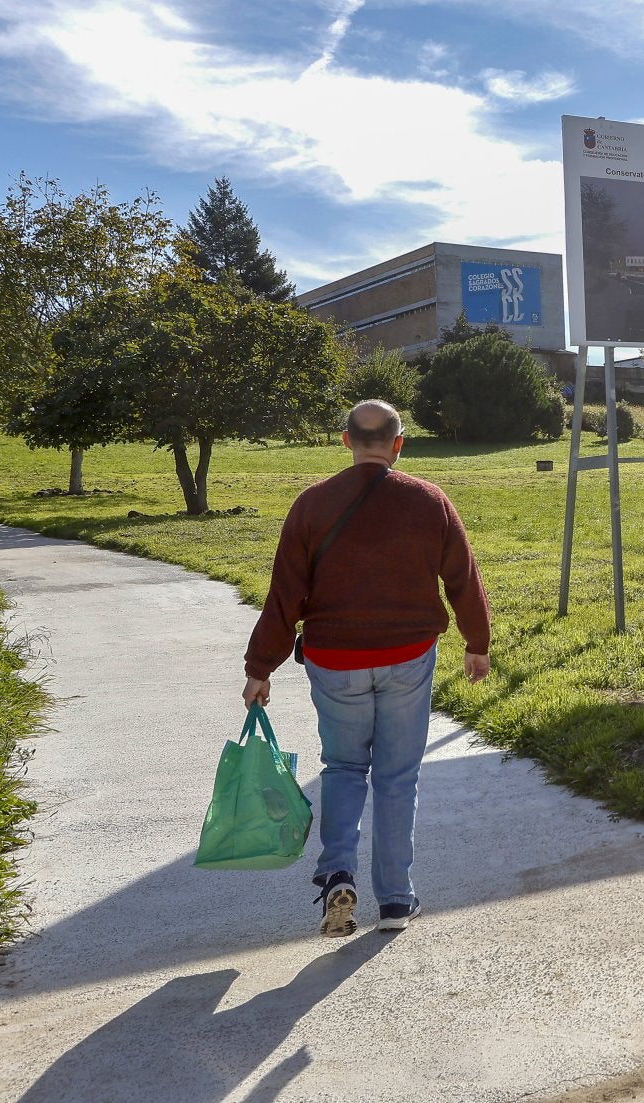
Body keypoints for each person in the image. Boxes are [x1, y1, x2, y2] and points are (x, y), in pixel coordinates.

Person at [243, 399, 491, 937]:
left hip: (334, 662)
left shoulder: (312, 505)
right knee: (398, 778)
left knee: (344, 768)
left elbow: (285, 593)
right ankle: (397, 902)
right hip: (406, 656)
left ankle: (337, 871)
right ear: (398, 444)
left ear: (346, 441)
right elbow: (462, 578)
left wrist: (261, 666)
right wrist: (477, 641)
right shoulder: (430, 501)